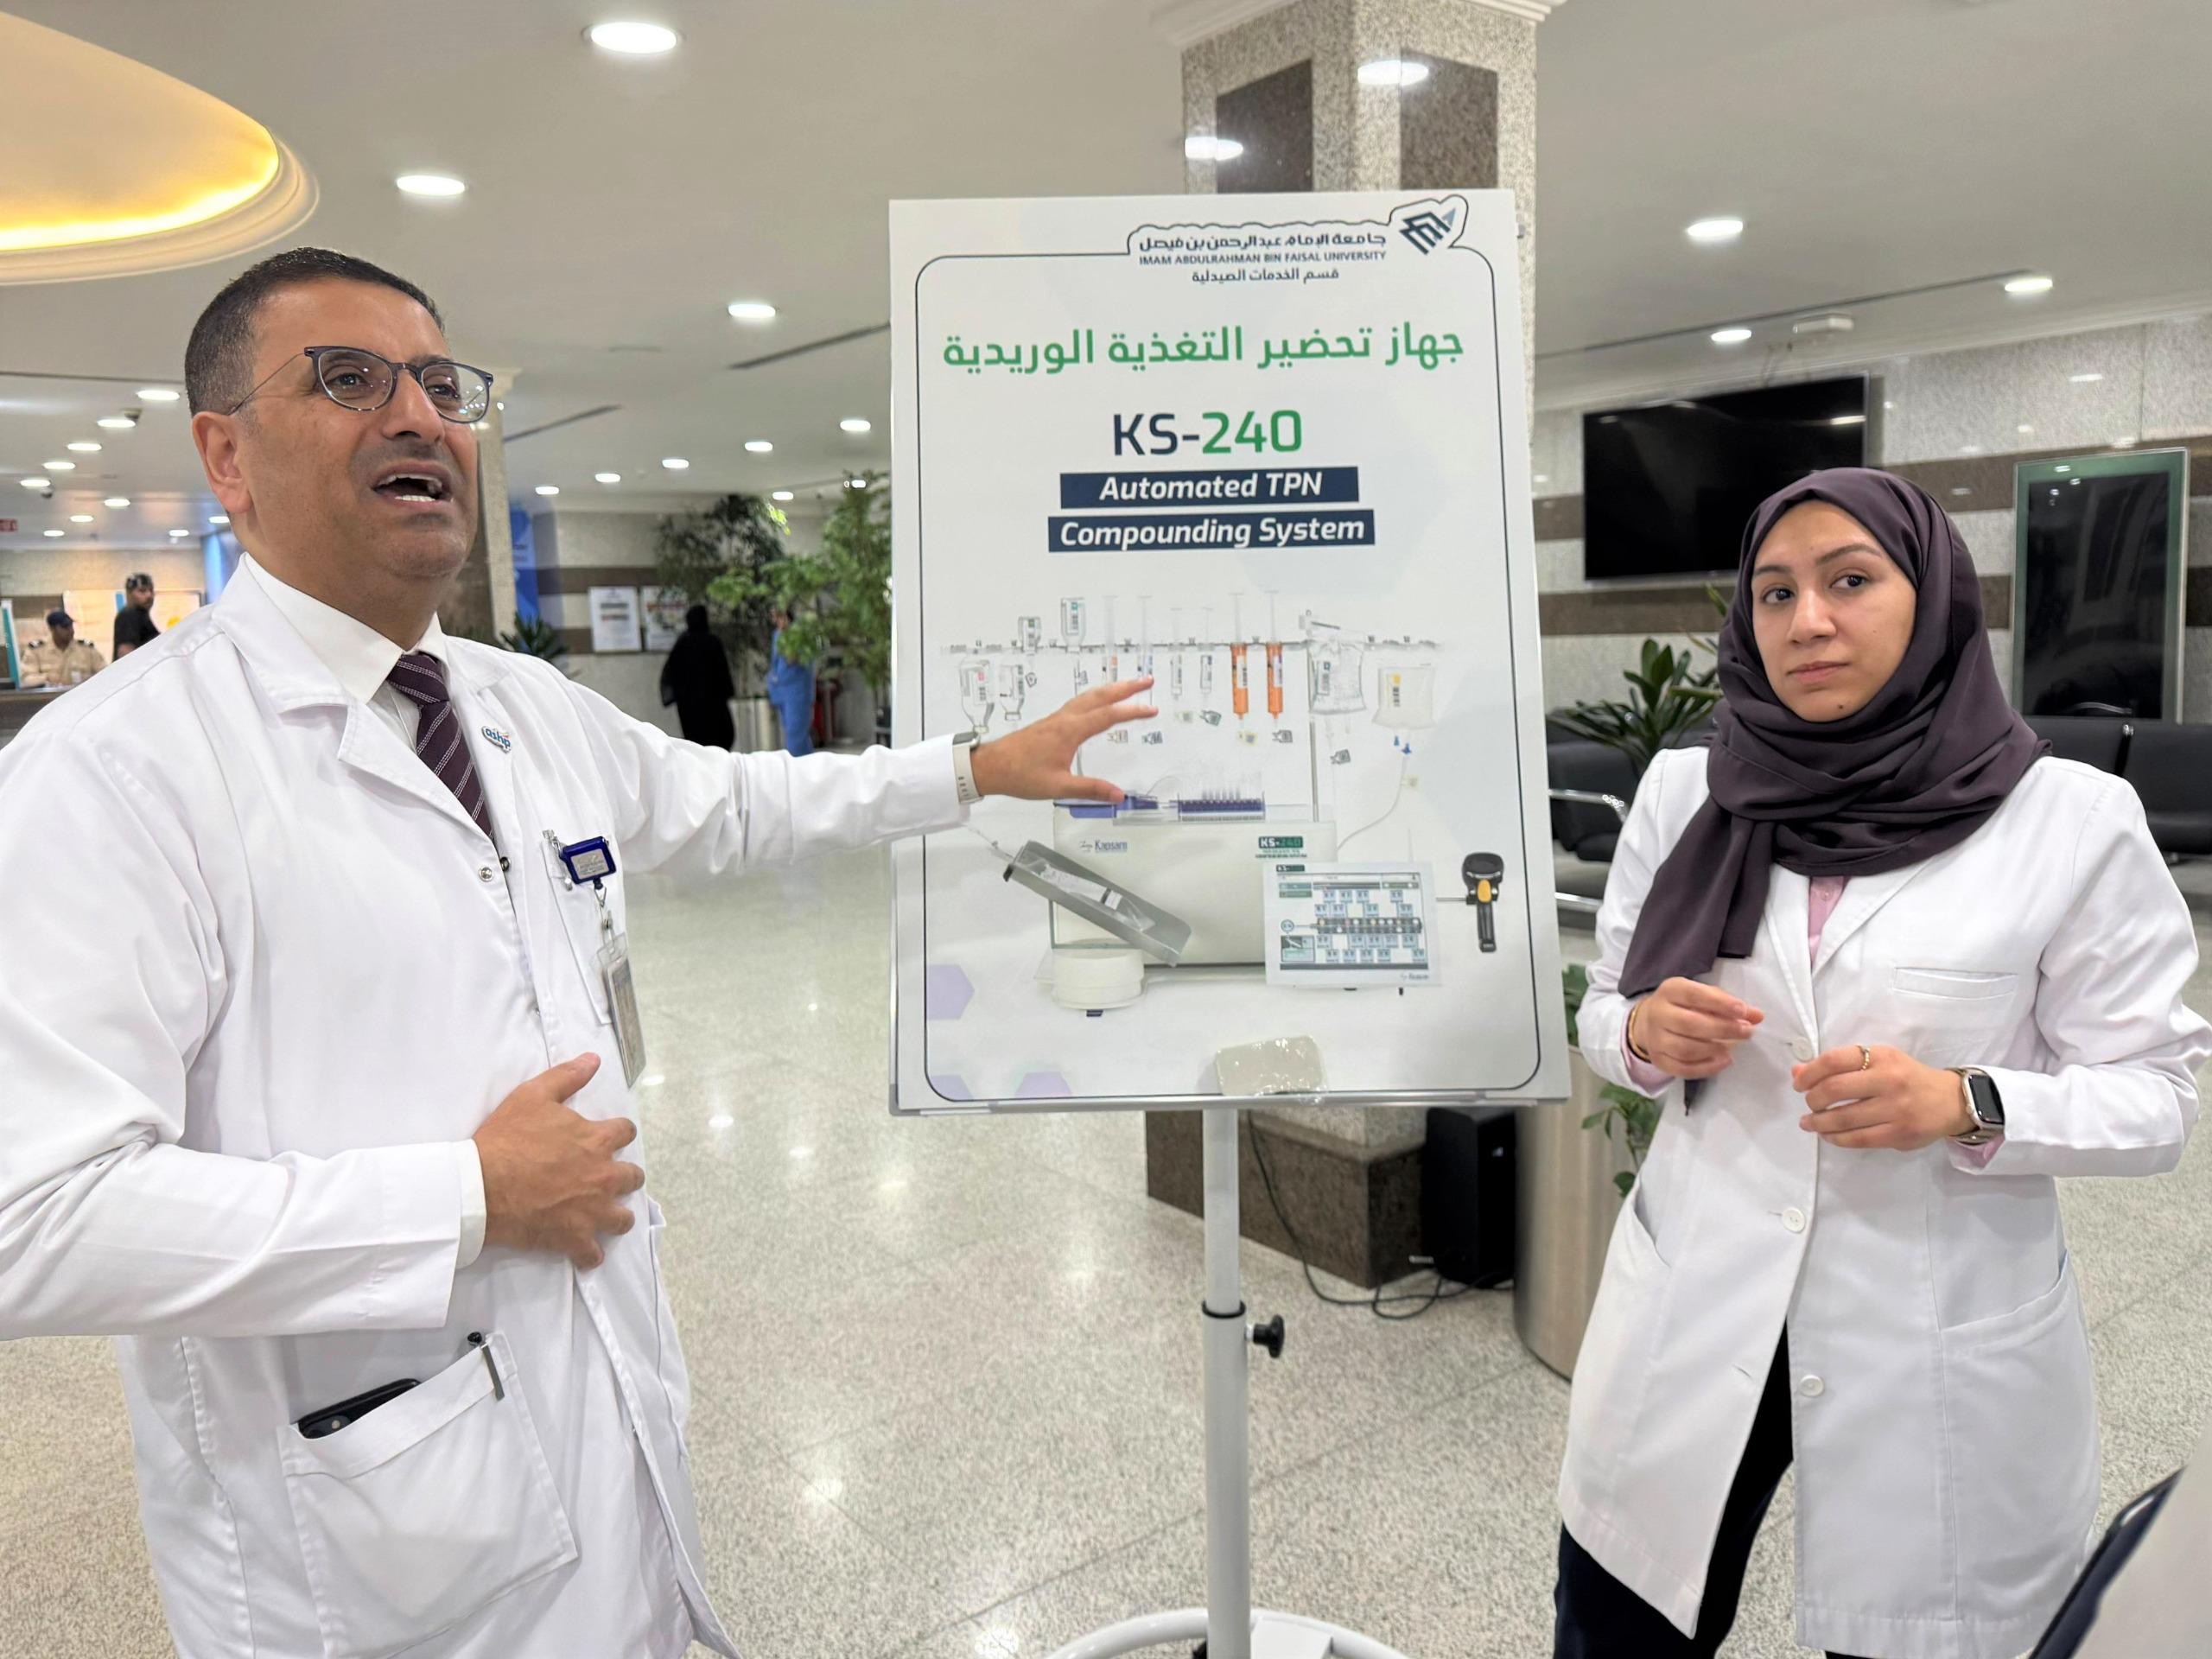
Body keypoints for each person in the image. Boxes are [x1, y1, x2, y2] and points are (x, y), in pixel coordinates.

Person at [0, 245, 1154, 1659]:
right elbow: (32, 1220)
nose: (418, 416)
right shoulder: (114, 773)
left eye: (441, 384)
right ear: (225, 455)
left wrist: (970, 769)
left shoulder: (508, 702)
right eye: (349, 379)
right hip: (365, 1553)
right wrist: (462, 1199)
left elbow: (730, 805)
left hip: (593, 1414)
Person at [1556, 468, 2209, 1659]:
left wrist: (1967, 1101)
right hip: (1700, 1283)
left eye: (1850, 580)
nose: (1807, 621)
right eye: (1774, 592)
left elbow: (2161, 1098)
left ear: (1934, 597)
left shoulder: (2069, 820)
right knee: (1618, 1621)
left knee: (1910, 1633)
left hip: (1931, 1312)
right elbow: (1606, 1009)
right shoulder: (1688, 792)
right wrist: (1644, 1035)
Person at [658, 602, 735, 748]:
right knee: (718, 745)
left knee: (697, 746)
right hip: (715, 708)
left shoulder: (682, 645)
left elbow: (672, 675)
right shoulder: (713, 642)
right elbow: (723, 675)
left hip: (691, 710)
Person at [766, 604, 817, 757]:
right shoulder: (777, 635)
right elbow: (776, 662)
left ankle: (801, 766)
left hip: (797, 691)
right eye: (774, 617)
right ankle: (804, 764)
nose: (777, 621)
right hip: (781, 690)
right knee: (791, 732)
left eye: (779, 616)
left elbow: (801, 659)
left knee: (796, 735)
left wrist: (793, 655)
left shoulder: (799, 634)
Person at [25, 608, 105, 687]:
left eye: (71, 626)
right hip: (51, 695)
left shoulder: (87, 650)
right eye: (65, 627)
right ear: (52, 629)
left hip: (82, 693)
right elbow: (26, 680)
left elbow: (104, 674)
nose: (71, 631)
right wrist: (47, 678)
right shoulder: (37, 651)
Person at [112, 571, 160, 657]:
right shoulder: (128, 616)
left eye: (151, 590)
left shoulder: (142, 616)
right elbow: (126, 654)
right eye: (142, 591)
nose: (149, 595)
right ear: (129, 594)